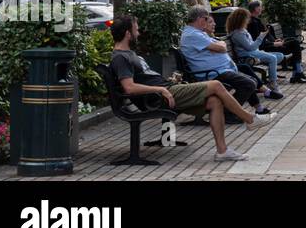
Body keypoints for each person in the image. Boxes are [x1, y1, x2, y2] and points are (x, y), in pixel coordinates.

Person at [109, 15, 272, 162]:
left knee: (215, 101)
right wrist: (161, 90)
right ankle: (250, 120)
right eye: (136, 30)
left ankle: (223, 151)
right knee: (215, 85)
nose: (138, 33)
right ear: (127, 34)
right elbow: (129, 88)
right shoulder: (121, 57)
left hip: (167, 90)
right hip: (159, 97)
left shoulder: (129, 53)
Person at [179, 5, 266, 114]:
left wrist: (219, 46)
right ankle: (230, 114)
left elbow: (219, 44)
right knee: (249, 83)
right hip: (213, 73)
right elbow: (221, 47)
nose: (208, 22)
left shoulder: (197, 33)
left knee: (250, 81)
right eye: (207, 19)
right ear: (201, 19)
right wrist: (219, 46)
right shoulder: (193, 35)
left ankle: (250, 109)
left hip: (221, 70)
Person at [226, 7, 283, 100]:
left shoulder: (242, 31)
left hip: (253, 52)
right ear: (241, 19)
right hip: (247, 55)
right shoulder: (237, 34)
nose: (248, 20)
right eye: (247, 18)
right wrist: (260, 37)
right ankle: (273, 83)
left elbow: (253, 46)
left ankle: (272, 77)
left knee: (279, 55)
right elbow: (250, 48)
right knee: (272, 58)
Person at [247, 0, 306, 84]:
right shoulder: (253, 23)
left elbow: (266, 35)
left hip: (269, 45)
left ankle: (298, 73)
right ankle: (297, 73)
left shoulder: (256, 20)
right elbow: (258, 42)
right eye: (261, 7)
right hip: (265, 49)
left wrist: (275, 40)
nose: (262, 9)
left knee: (294, 41)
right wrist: (274, 43)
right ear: (256, 9)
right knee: (295, 44)